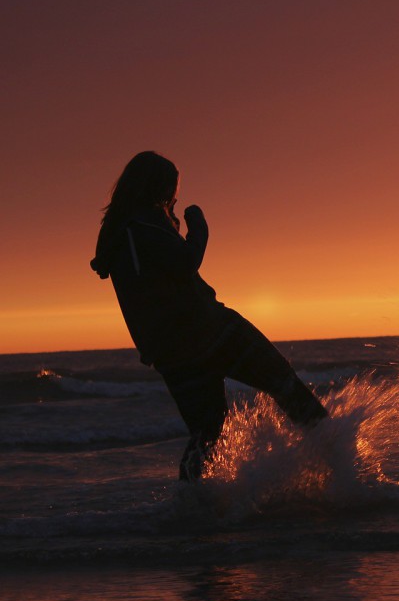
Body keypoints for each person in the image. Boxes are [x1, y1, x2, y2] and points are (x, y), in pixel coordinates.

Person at [90, 151, 328, 481]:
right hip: (211, 331)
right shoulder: (141, 227)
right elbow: (186, 261)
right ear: (158, 186)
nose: (175, 195)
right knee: (284, 384)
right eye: (172, 187)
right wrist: (197, 223)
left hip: (172, 352)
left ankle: (194, 505)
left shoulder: (120, 233)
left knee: (207, 432)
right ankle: (339, 460)